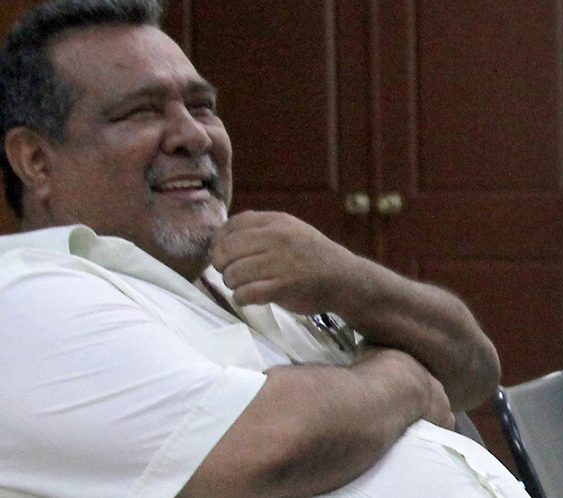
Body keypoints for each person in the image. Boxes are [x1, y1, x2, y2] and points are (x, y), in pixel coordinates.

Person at [0, 0, 531, 497]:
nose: (194, 136)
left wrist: (352, 281)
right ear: (36, 161)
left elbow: (473, 371)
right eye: (140, 112)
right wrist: (405, 379)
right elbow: (265, 448)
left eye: (202, 107)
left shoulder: (252, 268)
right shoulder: (26, 298)